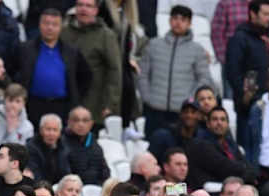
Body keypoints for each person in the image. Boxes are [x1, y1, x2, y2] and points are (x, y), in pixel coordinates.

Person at [138, 5, 213, 137]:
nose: (178, 22)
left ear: (189, 23)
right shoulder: (154, 45)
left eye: (183, 19)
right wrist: (147, 97)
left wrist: (190, 99)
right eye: (175, 18)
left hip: (181, 112)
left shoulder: (196, 50)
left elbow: (204, 79)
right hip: (155, 110)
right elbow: (143, 74)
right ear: (169, 20)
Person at [16, 8, 91, 126]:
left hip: (62, 107)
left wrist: (77, 98)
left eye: (54, 24)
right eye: (46, 23)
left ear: (61, 27)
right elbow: (12, 71)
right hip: (33, 105)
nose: (50, 28)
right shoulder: (25, 49)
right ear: (40, 25)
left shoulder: (71, 52)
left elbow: (86, 76)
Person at [60, 0, 122, 127]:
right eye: (80, 5)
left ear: (96, 10)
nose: (83, 9)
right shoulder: (64, 32)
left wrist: (111, 103)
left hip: (94, 104)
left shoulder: (106, 36)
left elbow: (114, 71)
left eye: (88, 6)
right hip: (66, 101)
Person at [62, 107, 111, 186]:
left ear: (91, 123)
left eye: (85, 120)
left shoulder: (95, 145)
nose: (81, 124)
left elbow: (105, 172)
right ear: (69, 122)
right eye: (76, 120)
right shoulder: (61, 144)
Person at [26, 114, 71, 184]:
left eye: (55, 130)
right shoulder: (31, 147)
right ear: (41, 130)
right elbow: (35, 173)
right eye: (48, 129)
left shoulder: (64, 147)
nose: (51, 133)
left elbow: (66, 172)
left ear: (59, 133)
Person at [0, 83, 34, 147]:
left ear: (24, 103)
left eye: (18, 101)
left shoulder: (28, 126)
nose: (13, 105)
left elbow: (23, 152)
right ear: (4, 100)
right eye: (10, 100)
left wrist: (12, 132)